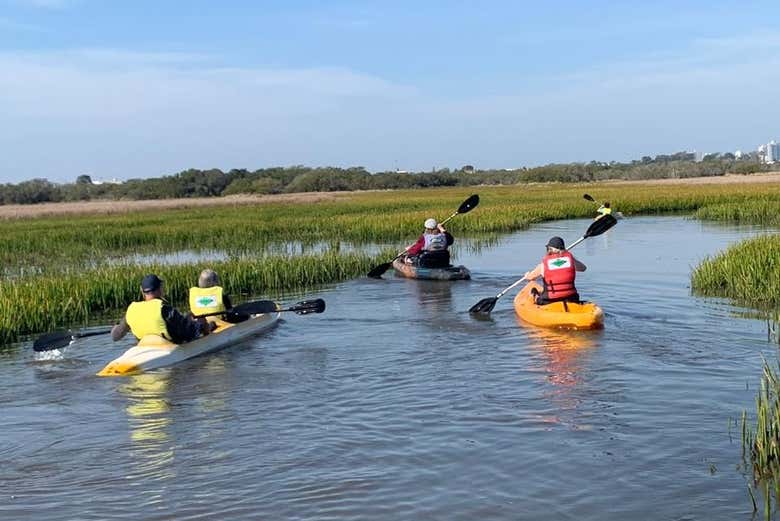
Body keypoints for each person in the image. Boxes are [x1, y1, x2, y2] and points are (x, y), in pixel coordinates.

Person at [112, 274, 214, 343]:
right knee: (201, 321)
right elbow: (188, 332)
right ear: (160, 289)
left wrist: (118, 325)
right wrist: (202, 324)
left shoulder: (131, 310)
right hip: (168, 347)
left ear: (142, 291)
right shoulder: (165, 310)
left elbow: (115, 336)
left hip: (145, 347)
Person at [521, 236, 587, 305]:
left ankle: (535, 297)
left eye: (548, 248)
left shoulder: (543, 264)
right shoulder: (571, 260)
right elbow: (583, 268)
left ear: (550, 249)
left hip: (549, 301)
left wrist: (527, 275)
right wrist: (571, 257)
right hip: (571, 299)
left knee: (533, 291)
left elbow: (531, 278)